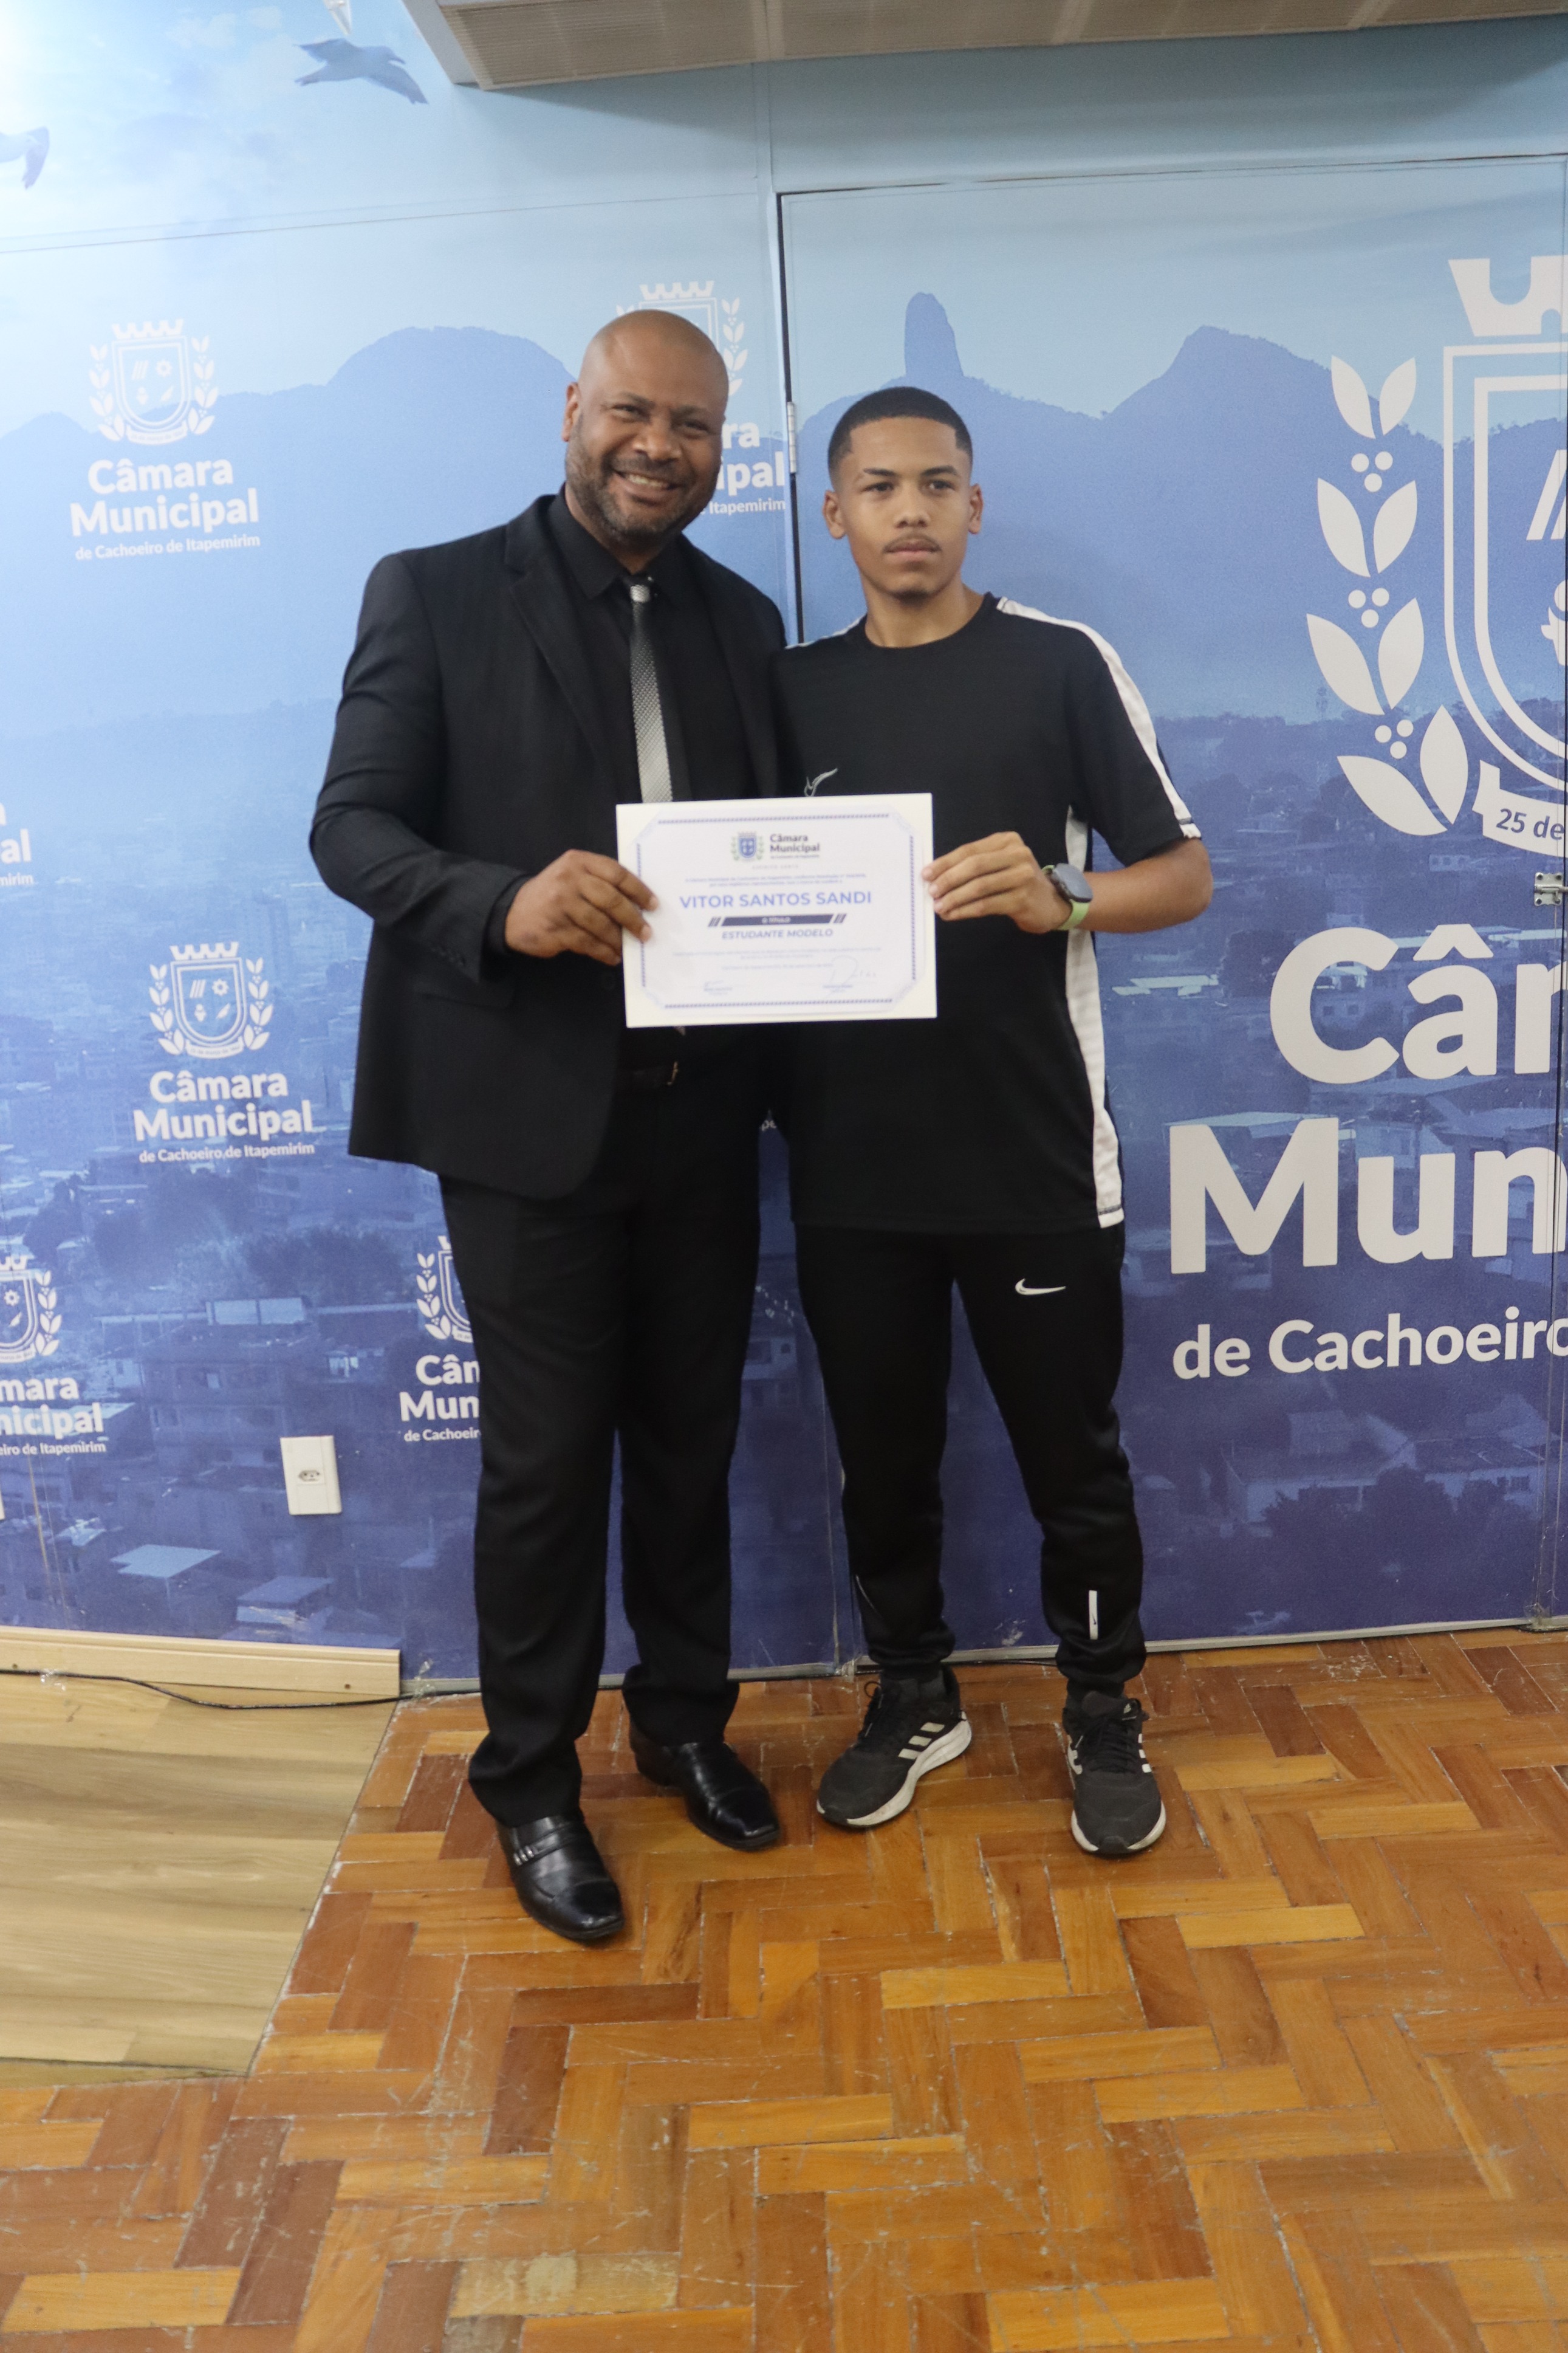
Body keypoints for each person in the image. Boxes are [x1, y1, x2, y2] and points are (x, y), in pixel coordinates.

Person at [312, 311, 786, 1946]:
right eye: (633, 412)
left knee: (691, 1440)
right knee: (544, 1464)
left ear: (721, 448)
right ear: (573, 410)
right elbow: (350, 826)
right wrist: (498, 903)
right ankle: (528, 1781)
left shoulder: (741, 618)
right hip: (523, 1119)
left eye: (695, 426)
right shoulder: (433, 591)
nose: (661, 447)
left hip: (705, 1107)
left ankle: (683, 1726)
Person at [773, 386, 1212, 1858]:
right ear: (832, 512)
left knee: (1071, 1463)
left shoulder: (1058, 663)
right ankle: (914, 1694)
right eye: (878, 486)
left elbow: (1182, 874)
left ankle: (1100, 1704)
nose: (908, 510)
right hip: (849, 1165)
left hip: (1033, 1156)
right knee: (881, 1461)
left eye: (935, 484)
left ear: (974, 504)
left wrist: (1062, 894)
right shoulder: (786, 692)